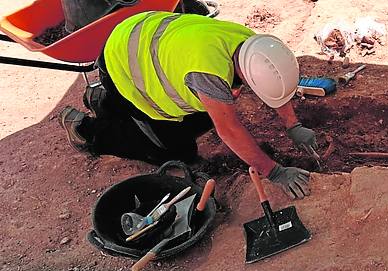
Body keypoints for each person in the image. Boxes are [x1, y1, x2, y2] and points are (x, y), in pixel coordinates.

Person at [58, 11, 317, 199]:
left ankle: (104, 101)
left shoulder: (253, 45)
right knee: (174, 151)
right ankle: (86, 130)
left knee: (206, 113)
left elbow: (275, 80)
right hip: (122, 65)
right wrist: (274, 171)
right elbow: (228, 130)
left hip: (139, 36)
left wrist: (293, 125)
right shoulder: (208, 74)